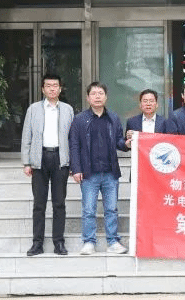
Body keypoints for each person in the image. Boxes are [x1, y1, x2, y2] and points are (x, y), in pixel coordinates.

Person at [69, 82, 131, 255]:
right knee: (89, 210)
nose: (97, 96)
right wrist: (76, 169)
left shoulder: (113, 118)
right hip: (89, 173)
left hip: (110, 172)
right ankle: (89, 242)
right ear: (88, 98)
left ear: (106, 97)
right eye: (94, 93)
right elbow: (74, 145)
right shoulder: (80, 119)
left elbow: (119, 141)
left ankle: (113, 242)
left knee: (111, 209)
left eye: (100, 93)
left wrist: (126, 144)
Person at [20, 73, 75, 256]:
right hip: (39, 158)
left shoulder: (68, 109)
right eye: (48, 85)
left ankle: (59, 242)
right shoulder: (33, 109)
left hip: (60, 158)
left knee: (59, 203)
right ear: (43, 89)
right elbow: (26, 136)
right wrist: (26, 162)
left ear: (60, 89)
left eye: (55, 85)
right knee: (39, 204)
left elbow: (72, 138)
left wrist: (72, 162)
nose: (52, 88)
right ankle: (37, 243)